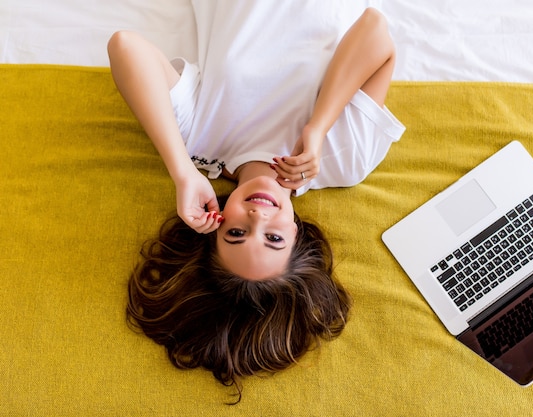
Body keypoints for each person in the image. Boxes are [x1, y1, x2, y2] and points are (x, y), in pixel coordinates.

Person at [108, 2, 404, 401]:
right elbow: (375, 29)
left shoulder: (197, 142)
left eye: (236, 233)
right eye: (273, 239)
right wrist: (318, 126)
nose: (258, 215)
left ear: (215, 220)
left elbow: (125, 47)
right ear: (297, 236)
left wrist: (181, 170)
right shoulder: (343, 160)